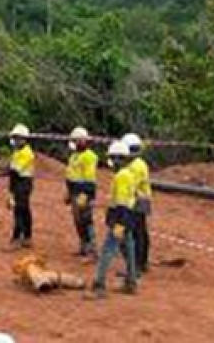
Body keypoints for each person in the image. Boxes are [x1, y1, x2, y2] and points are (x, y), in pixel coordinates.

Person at [89, 140, 138, 298]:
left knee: (107, 250)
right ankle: (131, 282)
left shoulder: (122, 176)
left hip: (121, 215)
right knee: (129, 248)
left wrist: (119, 223)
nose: (113, 162)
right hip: (127, 215)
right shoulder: (127, 174)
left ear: (121, 159)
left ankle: (99, 285)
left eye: (115, 158)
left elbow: (122, 202)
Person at [64, 127, 98, 256]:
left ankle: (92, 248)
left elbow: (89, 178)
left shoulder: (89, 157)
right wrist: (68, 192)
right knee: (77, 220)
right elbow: (70, 174)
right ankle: (83, 245)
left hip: (84, 191)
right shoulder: (74, 156)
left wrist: (85, 195)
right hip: (74, 190)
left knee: (86, 219)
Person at [124, 133, 152, 274]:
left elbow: (131, 186)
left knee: (136, 233)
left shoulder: (134, 166)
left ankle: (138, 264)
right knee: (141, 232)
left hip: (137, 200)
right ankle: (143, 262)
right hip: (143, 199)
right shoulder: (140, 163)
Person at [6, 124, 35, 250]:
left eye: (18, 138)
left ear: (24, 139)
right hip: (18, 182)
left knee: (19, 210)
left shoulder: (27, 153)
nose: (15, 140)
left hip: (23, 182)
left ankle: (17, 239)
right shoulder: (18, 151)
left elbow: (15, 170)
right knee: (24, 210)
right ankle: (27, 237)